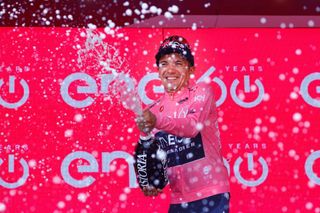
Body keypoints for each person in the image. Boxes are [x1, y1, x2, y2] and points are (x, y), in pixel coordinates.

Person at [136, 35, 230, 212]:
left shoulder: (201, 91)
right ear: (158, 70)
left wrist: (156, 121)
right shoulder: (153, 109)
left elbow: (192, 127)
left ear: (191, 69)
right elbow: (150, 155)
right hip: (178, 200)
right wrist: (150, 180)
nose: (170, 70)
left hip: (211, 195)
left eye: (178, 63)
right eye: (164, 64)